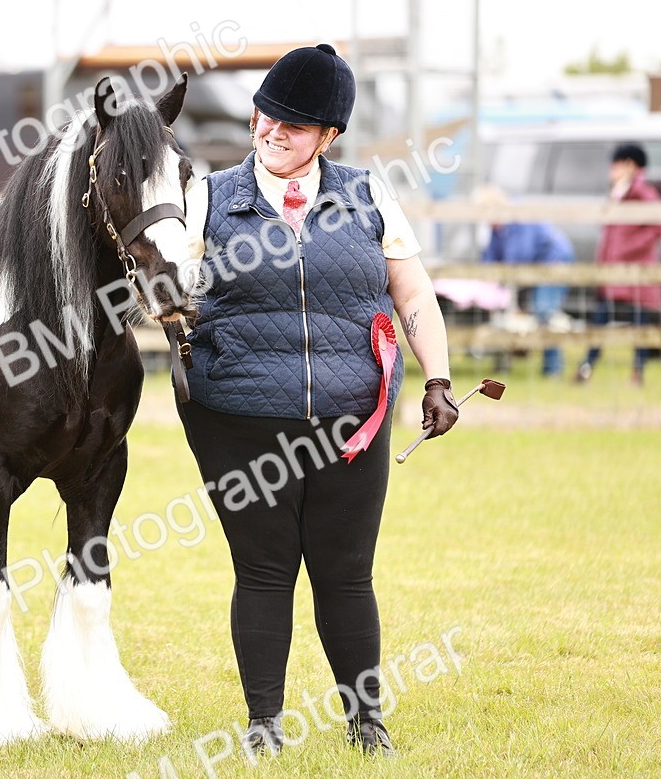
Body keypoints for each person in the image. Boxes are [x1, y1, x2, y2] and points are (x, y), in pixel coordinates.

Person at [176, 44, 458, 757]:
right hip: (238, 417)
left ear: (329, 137)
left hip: (353, 418)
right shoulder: (206, 197)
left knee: (345, 572)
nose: (272, 131)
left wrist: (438, 378)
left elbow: (413, 292)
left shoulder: (369, 195)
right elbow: (163, 294)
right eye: (266, 116)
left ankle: (368, 724)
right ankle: (264, 724)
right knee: (263, 571)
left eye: (294, 126)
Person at [575, 143, 661, 385]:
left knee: (640, 328)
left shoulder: (643, 192)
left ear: (629, 165)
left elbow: (656, 225)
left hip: (637, 274)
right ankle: (586, 367)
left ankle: (637, 373)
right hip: (614, 274)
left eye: (616, 165)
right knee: (601, 321)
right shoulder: (618, 194)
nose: (610, 170)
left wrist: (629, 249)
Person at [476, 184, 575, 377]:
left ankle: (553, 369)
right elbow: (491, 255)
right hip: (534, 268)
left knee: (544, 311)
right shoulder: (498, 227)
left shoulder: (518, 217)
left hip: (554, 263)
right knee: (520, 314)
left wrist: (500, 277)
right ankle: (512, 362)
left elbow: (520, 256)